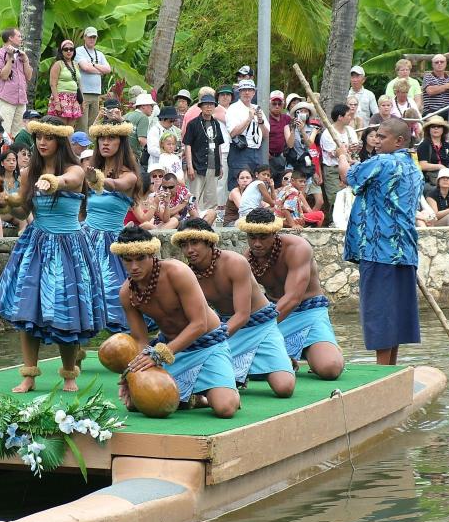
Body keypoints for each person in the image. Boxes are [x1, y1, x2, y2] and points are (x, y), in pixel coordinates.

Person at [0, 117, 105, 392]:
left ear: (60, 141)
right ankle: (29, 375)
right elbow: (22, 211)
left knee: (66, 308)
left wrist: (53, 181)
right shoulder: (28, 173)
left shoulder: (75, 170)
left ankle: (69, 375)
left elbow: (67, 181)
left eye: (48, 138)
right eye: (38, 137)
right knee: (27, 309)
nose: (42, 142)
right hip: (37, 243)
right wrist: (6, 204)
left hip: (69, 246)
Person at [113, 227, 239, 417]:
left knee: (225, 408)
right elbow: (140, 341)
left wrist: (159, 355)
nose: (134, 267)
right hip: (171, 349)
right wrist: (134, 373)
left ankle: (227, 390)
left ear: (152, 254)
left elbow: (199, 324)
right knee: (139, 405)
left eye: (140, 259)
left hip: (207, 345)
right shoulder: (127, 293)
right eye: (128, 260)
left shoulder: (177, 272)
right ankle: (197, 398)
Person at [172, 218, 295, 397]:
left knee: (285, 388)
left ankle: (273, 362)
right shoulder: (186, 274)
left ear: (209, 241)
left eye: (195, 242)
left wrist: (215, 340)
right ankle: (238, 372)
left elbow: (243, 315)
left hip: (259, 328)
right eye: (184, 245)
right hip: (225, 328)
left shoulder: (234, 263)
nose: (189, 250)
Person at [343, 118, 423, 365]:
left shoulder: (383, 162)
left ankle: (382, 373)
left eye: (382, 137)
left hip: (380, 249)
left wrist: (341, 155)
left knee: (380, 312)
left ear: (399, 140)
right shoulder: (414, 167)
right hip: (405, 251)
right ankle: (390, 368)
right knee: (396, 314)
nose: (376, 141)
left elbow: (348, 176)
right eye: (376, 136)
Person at [239, 208, 344, 378]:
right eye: (252, 237)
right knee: (247, 370)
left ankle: (328, 348)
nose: (257, 243)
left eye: (263, 237)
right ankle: (286, 358)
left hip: (307, 313)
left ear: (275, 233)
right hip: (274, 313)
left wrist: (261, 328)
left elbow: (293, 298)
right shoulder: (246, 260)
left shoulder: (297, 248)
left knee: (329, 368)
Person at [82, 118, 141, 332]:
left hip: (112, 244)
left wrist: (96, 178)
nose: (105, 143)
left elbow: (116, 185)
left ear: (121, 142)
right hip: (85, 238)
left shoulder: (129, 176)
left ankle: (130, 343)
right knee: (79, 289)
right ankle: (75, 347)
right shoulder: (89, 172)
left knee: (112, 293)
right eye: (102, 138)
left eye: (111, 138)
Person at [225, 79, 269, 191]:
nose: (247, 93)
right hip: (240, 151)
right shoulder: (233, 108)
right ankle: (236, 207)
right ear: (239, 92)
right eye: (244, 90)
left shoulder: (257, 108)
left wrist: (260, 121)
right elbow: (233, 132)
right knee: (239, 185)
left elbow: (266, 134)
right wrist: (249, 119)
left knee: (254, 185)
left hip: (256, 152)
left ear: (254, 93)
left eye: (250, 90)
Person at [183, 93, 225, 211]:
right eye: (205, 104)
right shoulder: (193, 124)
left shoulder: (216, 123)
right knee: (195, 197)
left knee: (212, 199)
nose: (209, 107)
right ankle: (195, 223)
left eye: (211, 104)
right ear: (200, 107)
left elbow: (219, 146)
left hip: (213, 165)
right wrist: (190, 166)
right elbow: (187, 145)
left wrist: (220, 165)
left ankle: (210, 223)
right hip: (198, 165)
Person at [0, 27, 32, 137]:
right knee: (4, 131)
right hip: (7, 98)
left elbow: (29, 77)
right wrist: (10, 57)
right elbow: (4, 75)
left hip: (21, 99)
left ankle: (16, 154)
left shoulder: (21, 54)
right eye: (19, 36)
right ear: (10, 38)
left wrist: (26, 60)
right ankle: (5, 154)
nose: (21, 39)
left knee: (19, 133)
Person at [320, 103, 359, 208]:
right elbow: (332, 153)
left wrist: (354, 148)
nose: (351, 117)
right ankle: (334, 220)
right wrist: (343, 151)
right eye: (348, 115)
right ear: (340, 117)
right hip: (333, 169)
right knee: (335, 197)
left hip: (349, 167)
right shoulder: (327, 133)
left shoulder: (350, 131)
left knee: (351, 195)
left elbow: (354, 149)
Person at [75, 26, 111, 132]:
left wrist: (93, 65)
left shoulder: (99, 54)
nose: (92, 39)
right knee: (82, 123)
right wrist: (100, 70)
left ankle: (90, 146)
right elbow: (85, 67)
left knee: (93, 123)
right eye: (90, 37)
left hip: (96, 93)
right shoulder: (79, 51)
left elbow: (108, 69)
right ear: (84, 37)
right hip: (83, 92)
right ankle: (80, 147)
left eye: (94, 37)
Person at [48, 39, 82, 127]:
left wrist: (81, 101)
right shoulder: (58, 64)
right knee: (61, 129)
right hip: (61, 97)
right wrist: (57, 102)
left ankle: (69, 141)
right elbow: (53, 84)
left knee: (70, 129)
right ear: (61, 51)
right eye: (66, 49)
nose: (69, 51)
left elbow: (79, 84)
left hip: (74, 99)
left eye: (71, 49)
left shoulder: (76, 64)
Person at [416, 115, 449, 189]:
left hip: (447, 178)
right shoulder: (424, 145)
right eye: (433, 126)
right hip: (429, 181)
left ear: (443, 129)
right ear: (429, 129)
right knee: (435, 191)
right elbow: (422, 165)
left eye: (439, 126)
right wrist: (440, 167)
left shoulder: (448, 145)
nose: (436, 128)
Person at [267, 90, 293, 186]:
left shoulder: (286, 118)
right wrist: (264, 151)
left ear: (283, 104)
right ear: (269, 103)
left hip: (280, 156)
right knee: (267, 184)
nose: (277, 106)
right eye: (274, 103)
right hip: (267, 157)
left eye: (279, 103)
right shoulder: (265, 117)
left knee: (279, 184)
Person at [124, 93, 155, 163]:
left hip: (122, 153)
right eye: (151, 105)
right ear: (143, 106)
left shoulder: (127, 115)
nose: (153, 108)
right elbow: (142, 140)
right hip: (132, 156)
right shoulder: (143, 118)